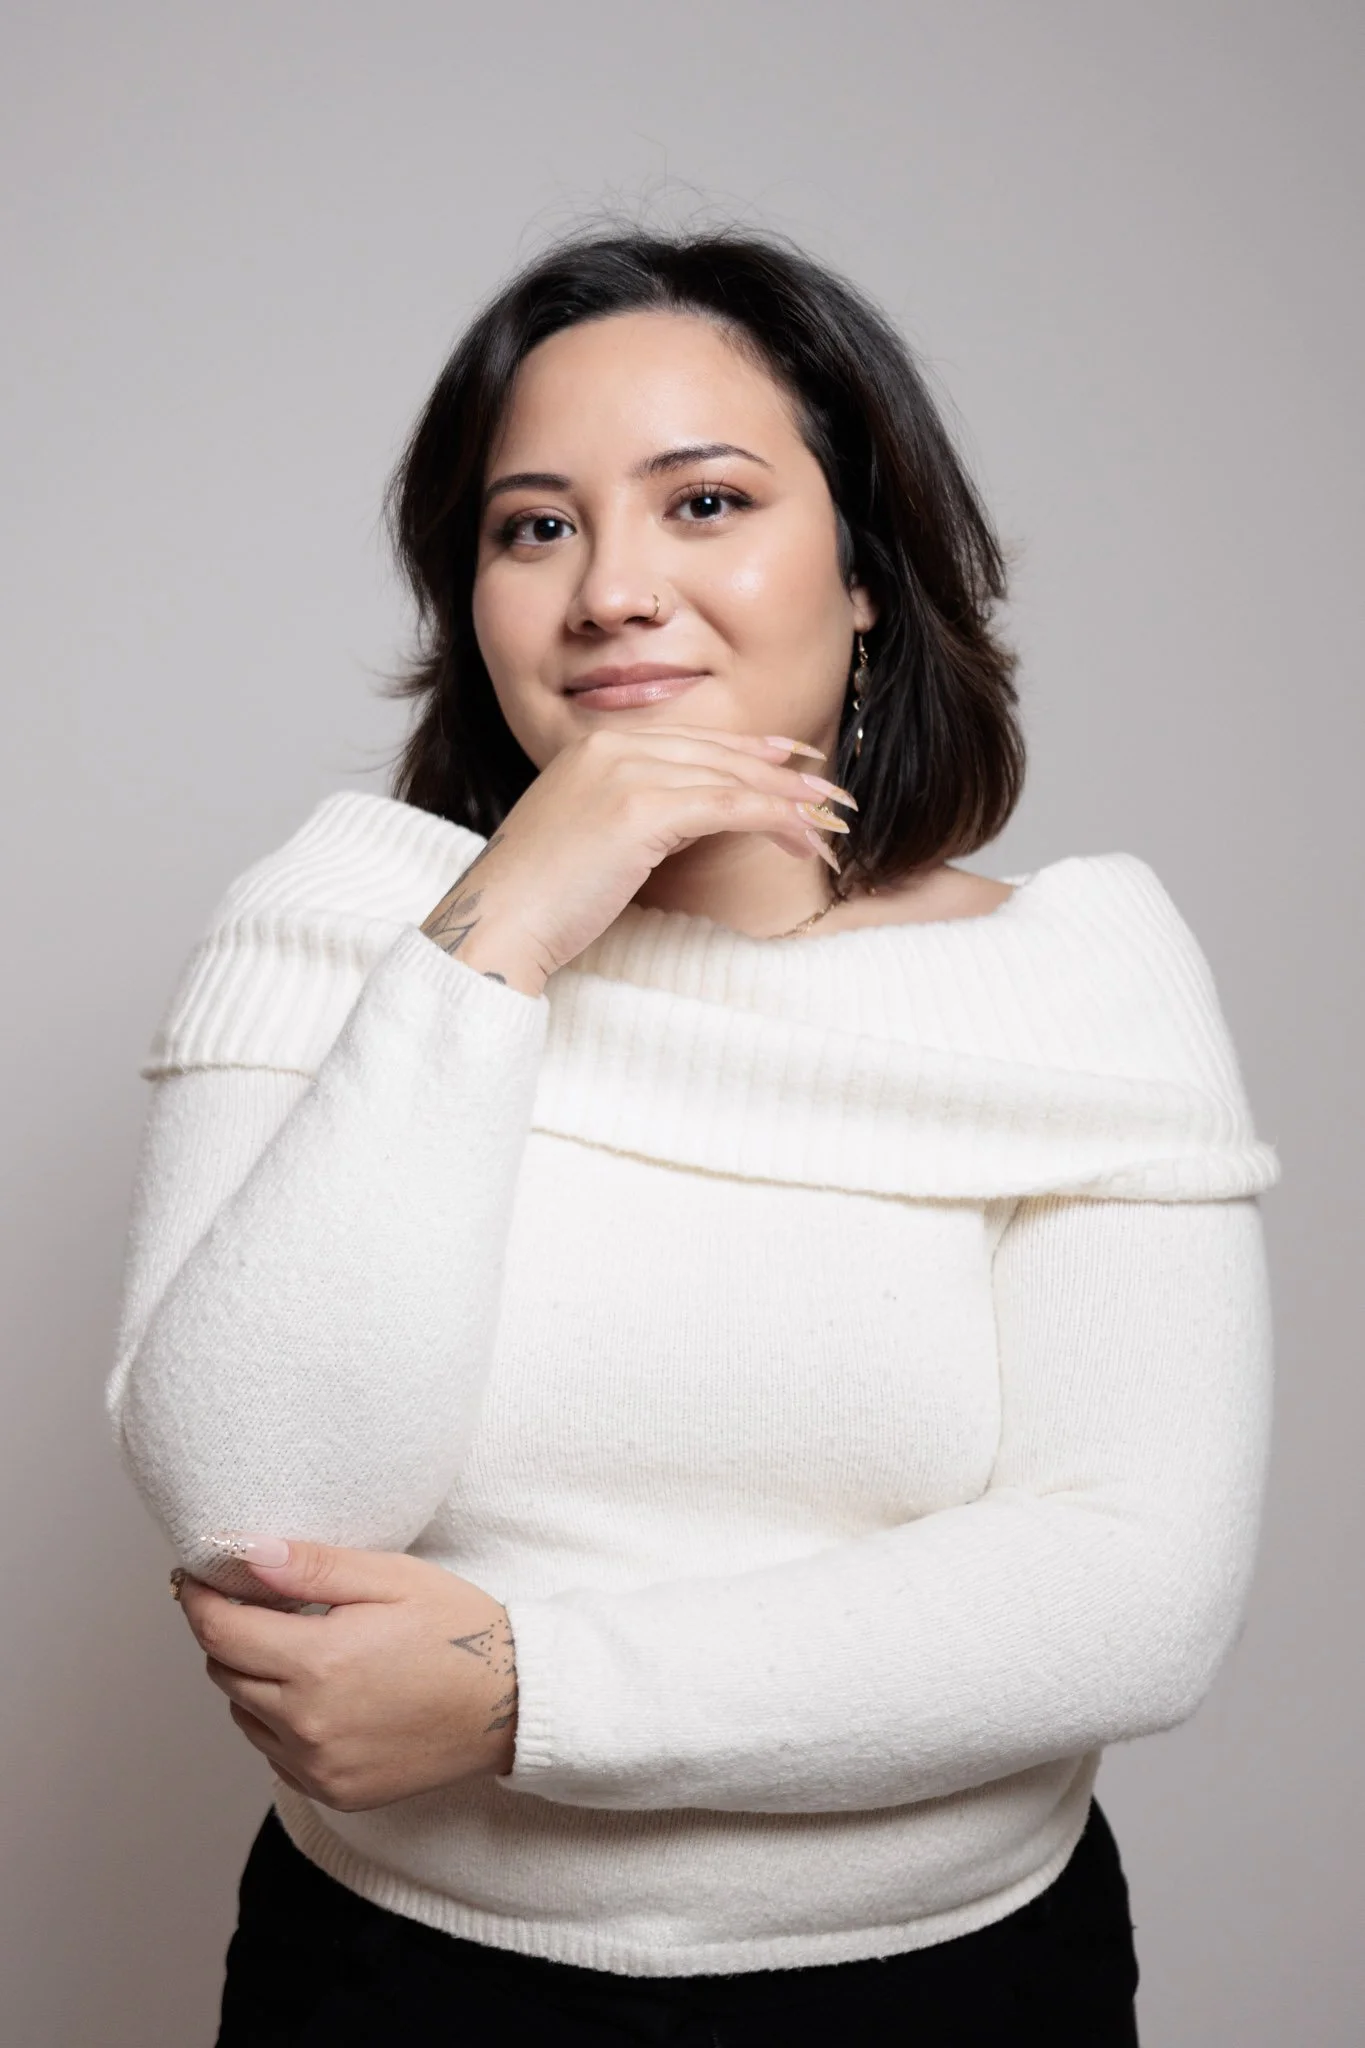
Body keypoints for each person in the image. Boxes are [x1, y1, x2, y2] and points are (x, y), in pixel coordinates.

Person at [108, 223, 1278, 2046]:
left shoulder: (1078, 975)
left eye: (706, 502)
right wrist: (497, 937)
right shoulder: (344, 920)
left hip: (954, 1995)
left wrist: (529, 1690)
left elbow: (1134, 1590)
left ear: (869, 570)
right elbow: (262, 1511)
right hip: (400, 1987)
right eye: (534, 525)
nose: (611, 592)